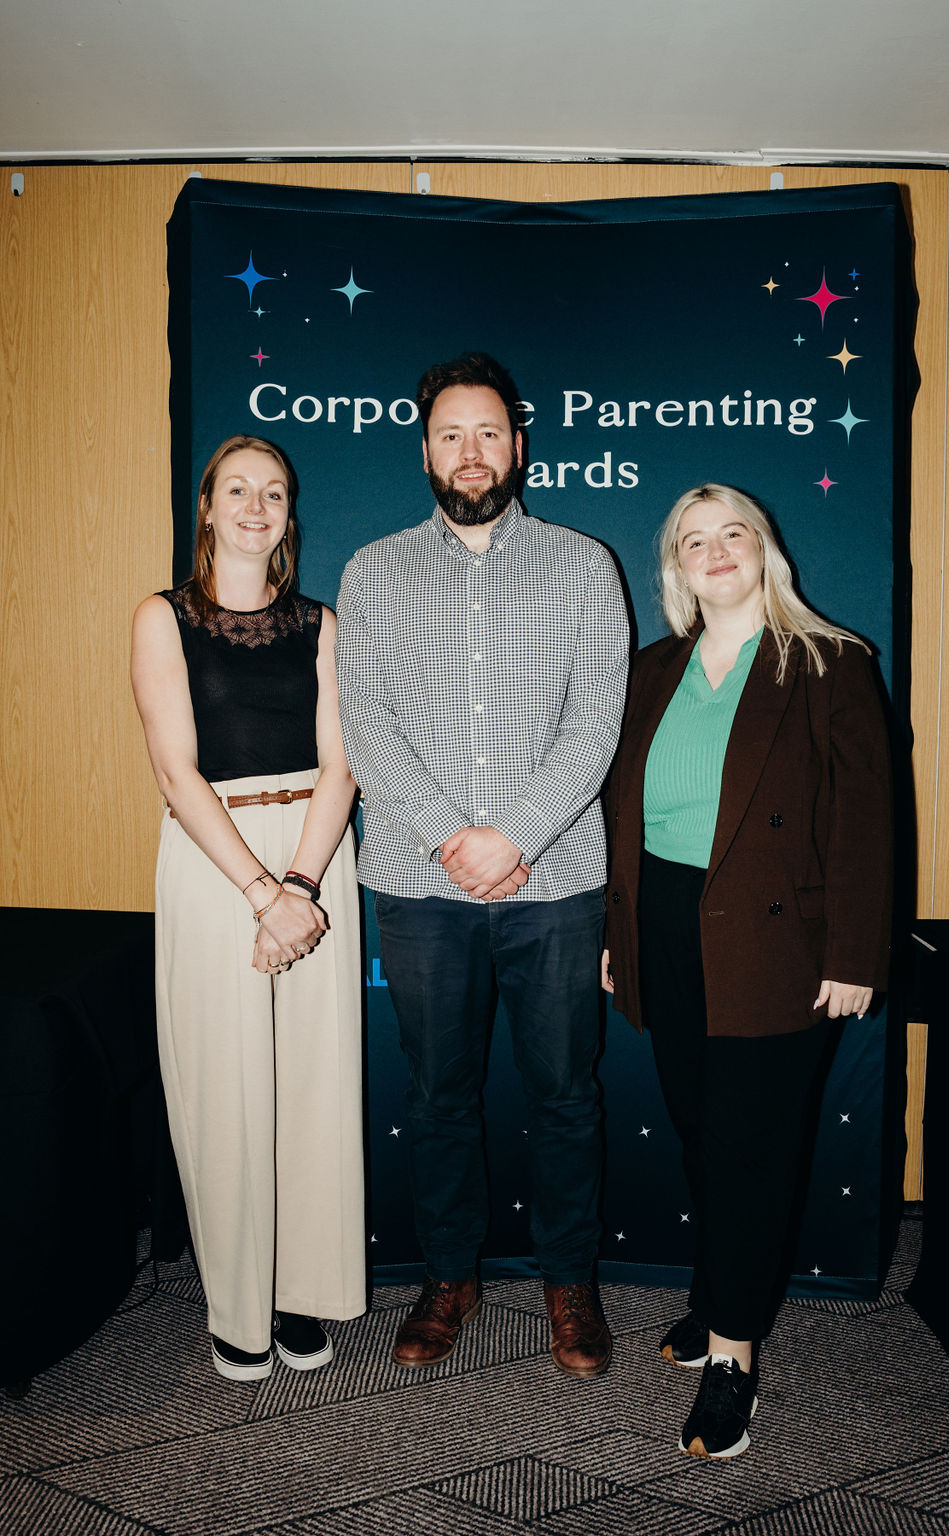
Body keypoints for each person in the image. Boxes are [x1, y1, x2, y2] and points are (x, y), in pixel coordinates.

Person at [336, 353, 630, 1377]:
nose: (471, 452)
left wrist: (515, 838)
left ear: (519, 446)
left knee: (566, 1097)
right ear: (425, 451)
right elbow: (365, 722)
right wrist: (447, 837)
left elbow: (598, 719)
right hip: (420, 886)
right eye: (452, 434)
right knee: (438, 1097)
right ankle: (447, 1277)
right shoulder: (373, 571)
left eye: (489, 432)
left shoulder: (583, 565)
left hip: (557, 882)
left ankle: (569, 1284)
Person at [602, 483, 892, 1458]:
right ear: (676, 567)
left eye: (734, 533)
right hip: (667, 927)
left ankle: (733, 1354)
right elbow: (621, 816)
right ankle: (717, 1293)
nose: (716, 550)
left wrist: (852, 952)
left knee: (749, 1150)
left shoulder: (830, 661)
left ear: (764, 549)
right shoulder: (653, 669)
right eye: (695, 540)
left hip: (777, 944)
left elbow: (866, 821)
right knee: (700, 1132)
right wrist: (617, 932)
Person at [131, 434, 365, 1382]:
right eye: (238, 489)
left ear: (288, 513)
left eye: (273, 492)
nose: (256, 506)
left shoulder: (322, 621)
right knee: (223, 1089)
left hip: (315, 855)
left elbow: (343, 762)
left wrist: (299, 887)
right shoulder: (161, 616)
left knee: (312, 1088)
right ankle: (238, 1304)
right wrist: (261, 892)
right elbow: (173, 770)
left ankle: (301, 1289)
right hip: (214, 859)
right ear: (208, 507)